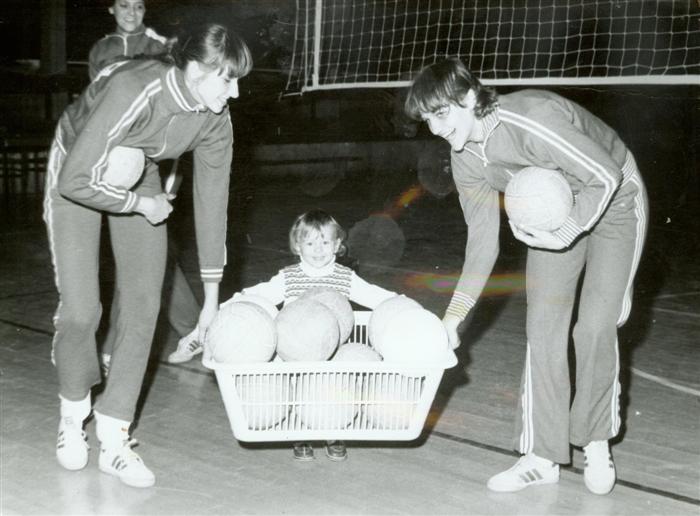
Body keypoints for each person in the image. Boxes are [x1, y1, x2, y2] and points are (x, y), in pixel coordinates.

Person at [405, 58, 648, 495]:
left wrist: (568, 231)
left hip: (615, 201)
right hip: (552, 213)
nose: (437, 129)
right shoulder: (465, 158)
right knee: (543, 327)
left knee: (595, 326)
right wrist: (452, 319)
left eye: (441, 114)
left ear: (469, 97)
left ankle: (595, 440)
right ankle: (541, 455)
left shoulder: (531, 119)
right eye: (428, 120)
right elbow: (482, 243)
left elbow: (605, 175)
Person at [44, 22, 252, 488]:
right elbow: (75, 180)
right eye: (227, 80)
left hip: (140, 171)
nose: (235, 93)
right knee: (81, 312)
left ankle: (114, 437)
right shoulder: (134, 89)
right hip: (76, 167)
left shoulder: (215, 118)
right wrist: (141, 204)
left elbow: (213, 205)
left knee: (143, 305)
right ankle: (72, 416)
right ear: (196, 71)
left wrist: (211, 302)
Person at [185, 209, 397, 461]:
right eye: (310, 243)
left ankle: (333, 432)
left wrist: (403, 304)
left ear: (337, 245)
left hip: (333, 352)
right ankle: (300, 433)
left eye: (325, 242)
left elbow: (376, 296)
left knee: (334, 388)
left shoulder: (346, 278)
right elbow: (257, 294)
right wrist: (221, 308)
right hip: (293, 353)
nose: (318, 250)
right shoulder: (289, 277)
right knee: (293, 386)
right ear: (297, 246)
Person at [88, 0, 202, 374]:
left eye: (138, 6)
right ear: (111, 9)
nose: (131, 13)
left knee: (140, 253)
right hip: (115, 160)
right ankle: (195, 328)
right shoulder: (101, 50)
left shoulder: (160, 46)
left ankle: (114, 347)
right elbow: (98, 103)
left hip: (151, 161)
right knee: (147, 254)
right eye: (124, 5)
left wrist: (172, 177)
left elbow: (177, 112)